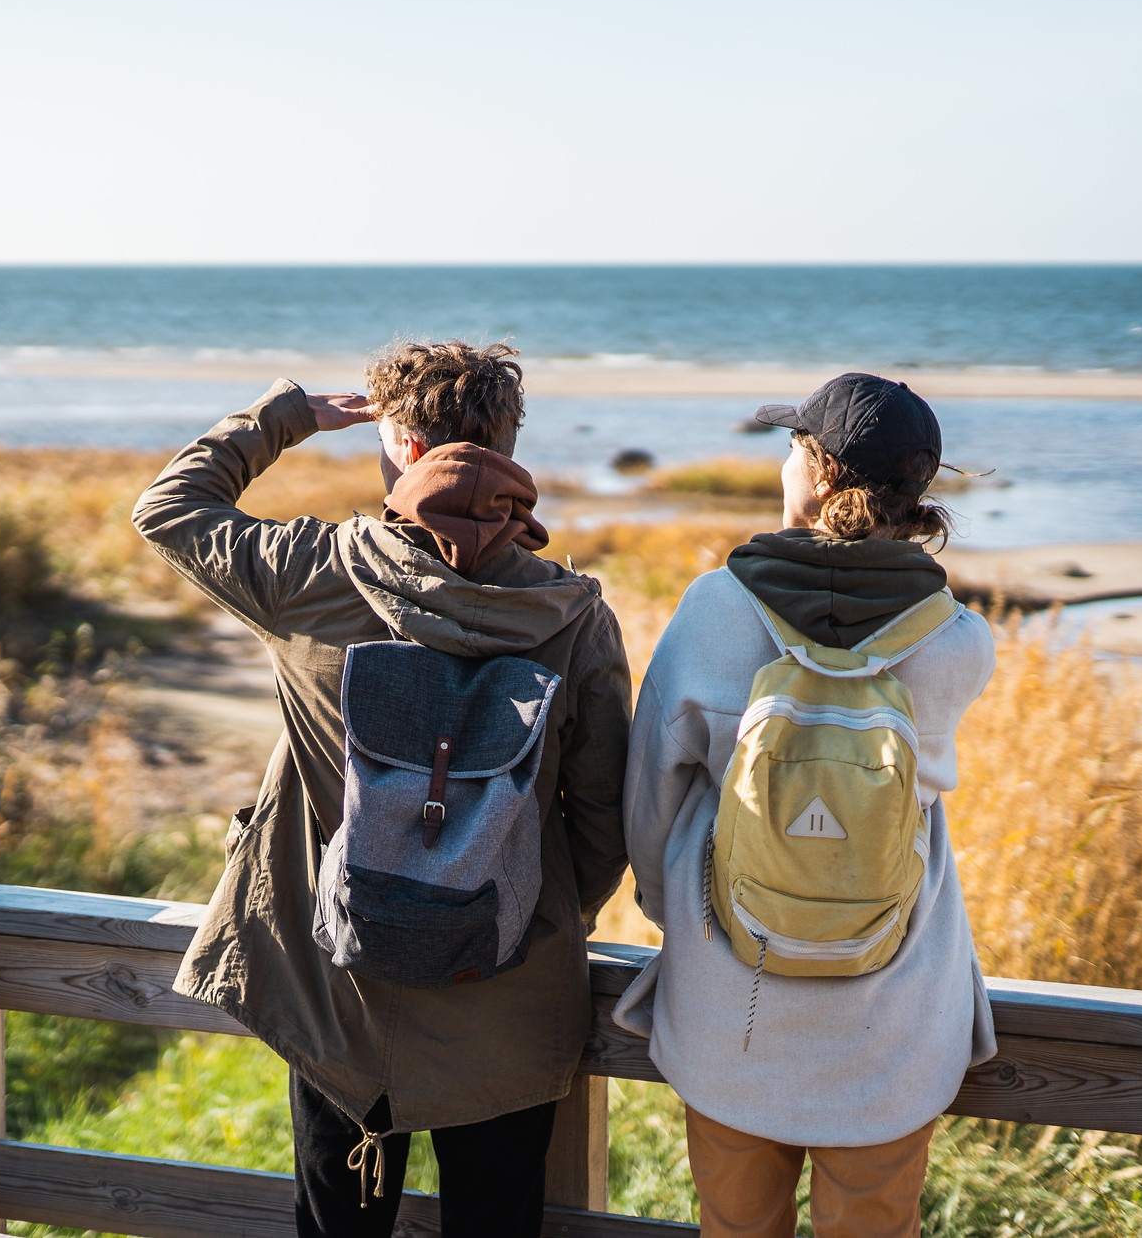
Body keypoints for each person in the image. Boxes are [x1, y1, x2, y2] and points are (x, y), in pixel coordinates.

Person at [132, 341, 632, 1238]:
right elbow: (601, 815)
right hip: (507, 985)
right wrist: (545, 908)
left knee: (339, 1227)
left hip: (340, 985)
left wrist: (287, 415)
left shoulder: (314, 571)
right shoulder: (571, 610)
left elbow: (168, 507)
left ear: (399, 441)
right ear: (508, 444)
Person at [612, 373, 997, 1238]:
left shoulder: (715, 607)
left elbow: (647, 793)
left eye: (792, 447)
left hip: (730, 1001)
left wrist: (671, 909)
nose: (783, 463)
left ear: (819, 471)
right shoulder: (958, 641)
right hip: (888, 1015)